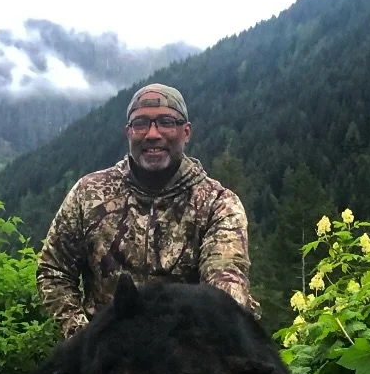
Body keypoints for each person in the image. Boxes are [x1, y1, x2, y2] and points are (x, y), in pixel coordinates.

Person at [35, 83, 258, 337]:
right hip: (103, 354)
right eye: (141, 124)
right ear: (128, 132)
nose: (152, 134)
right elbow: (53, 271)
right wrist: (83, 337)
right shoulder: (89, 194)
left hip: (185, 354)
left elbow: (225, 288)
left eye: (166, 122)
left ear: (186, 132)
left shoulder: (217, 204)